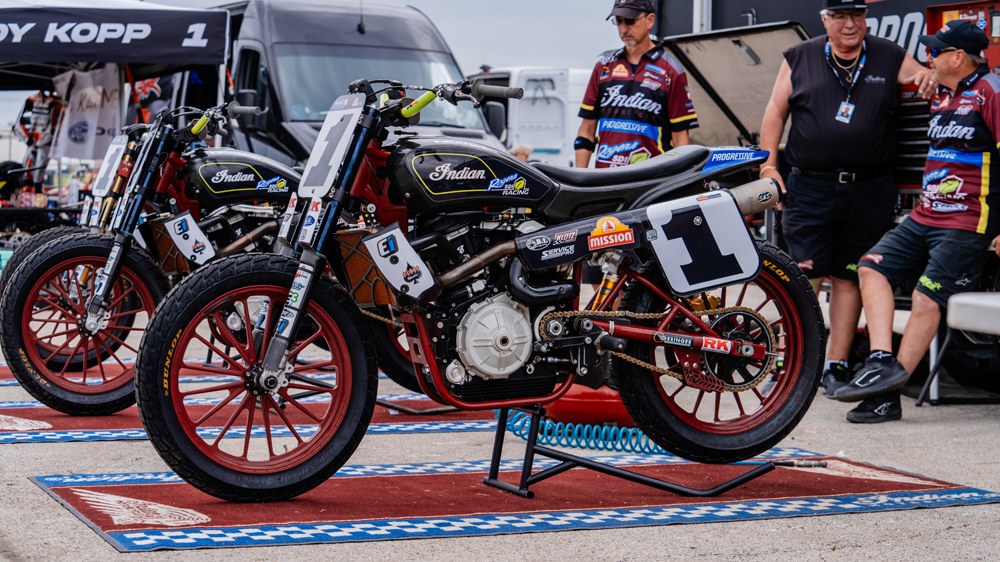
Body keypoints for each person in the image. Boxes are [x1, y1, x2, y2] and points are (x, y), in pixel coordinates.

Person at [758, 0, 934, 399]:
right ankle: (790, 365)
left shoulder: (888, 53)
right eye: (840, 17)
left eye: (857, 16)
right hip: (809, 187)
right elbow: (774, 112)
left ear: (865, 19)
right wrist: (768, 168)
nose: (850, 25)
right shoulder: (800, 56)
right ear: (826, 21)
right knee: (802, 277)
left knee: (849, 277)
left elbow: (923, 76)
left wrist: (929, 75)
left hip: (869, 188)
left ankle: (834, 366)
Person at [836, 20, 1000, 422]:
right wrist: (930, 75)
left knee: (928, 296)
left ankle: (887, 395)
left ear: (958, 57)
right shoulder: (942, 91)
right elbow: (919, 72)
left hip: (968, 220)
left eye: (936, 52)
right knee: (870, 267)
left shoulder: (991, 91)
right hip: (924, 215)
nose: (930, 57)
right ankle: (880, 361)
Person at [574, 0, 698, 170]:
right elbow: (586, 130)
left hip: (651, 180)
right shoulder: (602, 67)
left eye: (630, 21)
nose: (624, 29)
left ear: (650, 20)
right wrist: (579, 178)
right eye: (619, 21)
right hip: (604, 178)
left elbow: (680, 140)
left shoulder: (671, 71)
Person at [12, 90, 62, 193]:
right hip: (33, 143)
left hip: (45, 144)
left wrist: (43, 140)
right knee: (27, 169)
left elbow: (55, 126)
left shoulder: (57, 102)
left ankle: (37, 195)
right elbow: (17, 125)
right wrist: (29, 140)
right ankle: (26, 196)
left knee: (39, 172)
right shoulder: (31, 99)